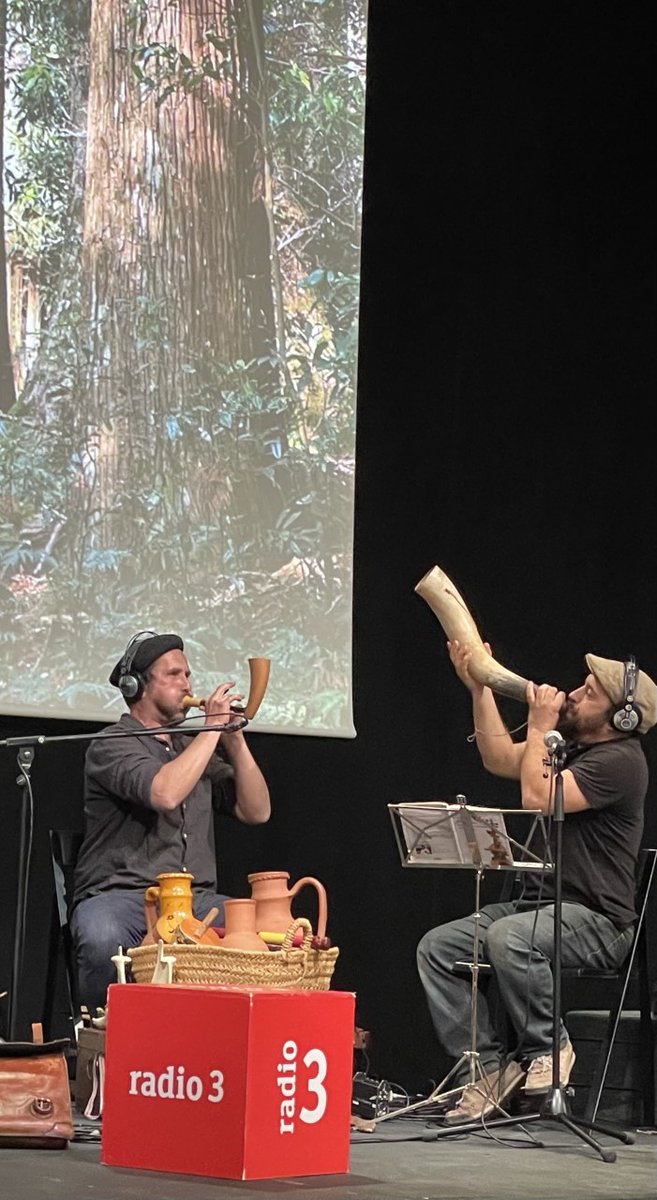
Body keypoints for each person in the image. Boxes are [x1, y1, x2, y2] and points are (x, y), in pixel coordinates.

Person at [417, 640, 657, 1124]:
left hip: (598, 921)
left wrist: (543, 724)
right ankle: (485, 1071)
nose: (571, 694)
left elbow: (536, 795)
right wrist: (478, 689)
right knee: (439, 947)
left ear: (621, 719)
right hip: (539, 912)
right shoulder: (570, 746)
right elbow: (500, 758)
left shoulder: (621, 762)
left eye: (587, 693)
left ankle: (550, 1048)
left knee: (511, 938)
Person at [70, 630, 271, 1013]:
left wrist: (235, 741)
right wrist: (211, 730)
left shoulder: (190, 747)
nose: (188, 685)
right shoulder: (111, 744)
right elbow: (164, 793)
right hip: (124, 897)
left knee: (267, 934)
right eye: (174, 675)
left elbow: (256, 810)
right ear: (138, 686)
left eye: (189, 675)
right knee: (101, 935)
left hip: (198, 902)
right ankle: (104, 1039)